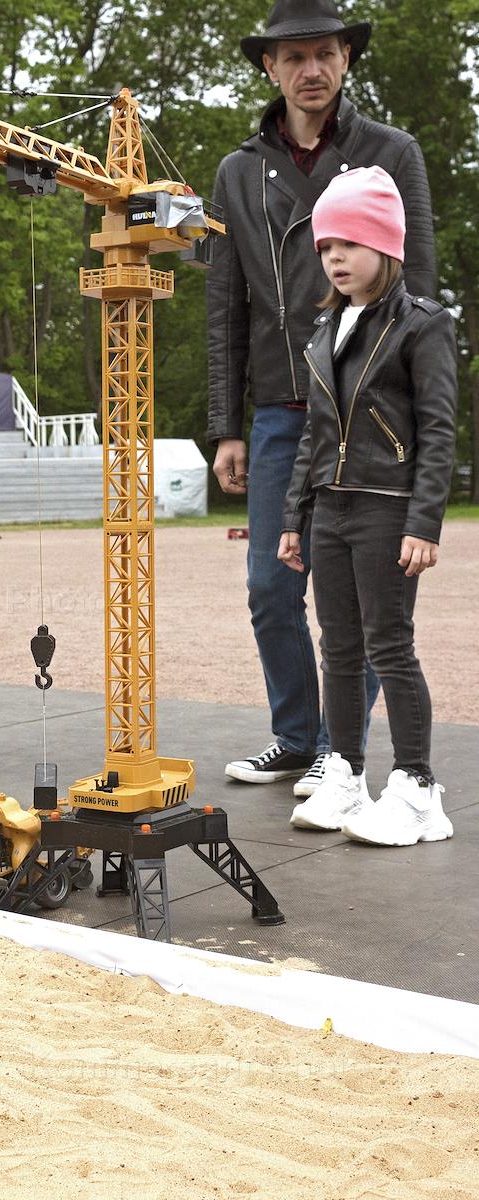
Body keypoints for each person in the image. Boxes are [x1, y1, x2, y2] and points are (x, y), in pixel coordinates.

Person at [206, 0, 437, 797]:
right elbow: (225, 307)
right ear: (270, 67)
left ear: (346, 58)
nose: (311, 69)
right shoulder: (237, 172)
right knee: (272, 587)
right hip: (280, 406)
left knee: (365, 599)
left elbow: (419, 285)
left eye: (325, 53)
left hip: (368, 409)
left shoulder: (391, 153)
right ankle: (297, 737)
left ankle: (341, 751)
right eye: (294, 56)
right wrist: (224, 426)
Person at [278, 167, 456, 846]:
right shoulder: (324, 329)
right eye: (326, 247)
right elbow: (314, 437)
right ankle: (346, 774)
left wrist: (423, 521)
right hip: (331, 509)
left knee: (389, 645)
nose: (335, 258)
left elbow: (438, 430)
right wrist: (295, 518)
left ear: (385, 244)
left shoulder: (423, 325)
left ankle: (416, 789)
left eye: (349, 243)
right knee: (340, 648)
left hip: (388, 505)